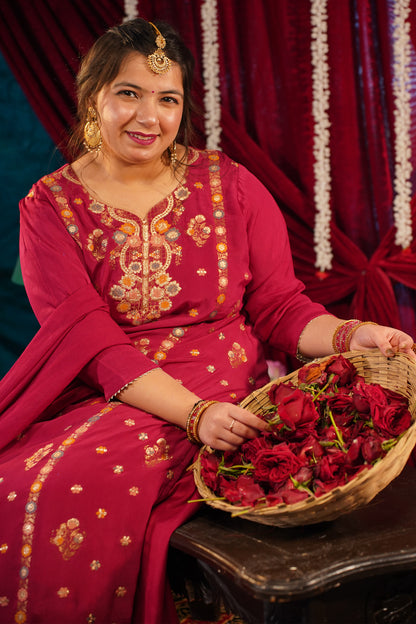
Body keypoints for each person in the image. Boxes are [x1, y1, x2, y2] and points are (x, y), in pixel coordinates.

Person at [0, 17, 414, 624]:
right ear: (94, 98)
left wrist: (358, 334)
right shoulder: (50, 208)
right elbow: (93, 345)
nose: (150, 117)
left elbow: (281, 308)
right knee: (15, 486)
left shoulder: (230, 186)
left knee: (64, 489)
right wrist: (193, 416)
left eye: (167, 99)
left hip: (223, 388)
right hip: (115, 391)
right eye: (129, 93)